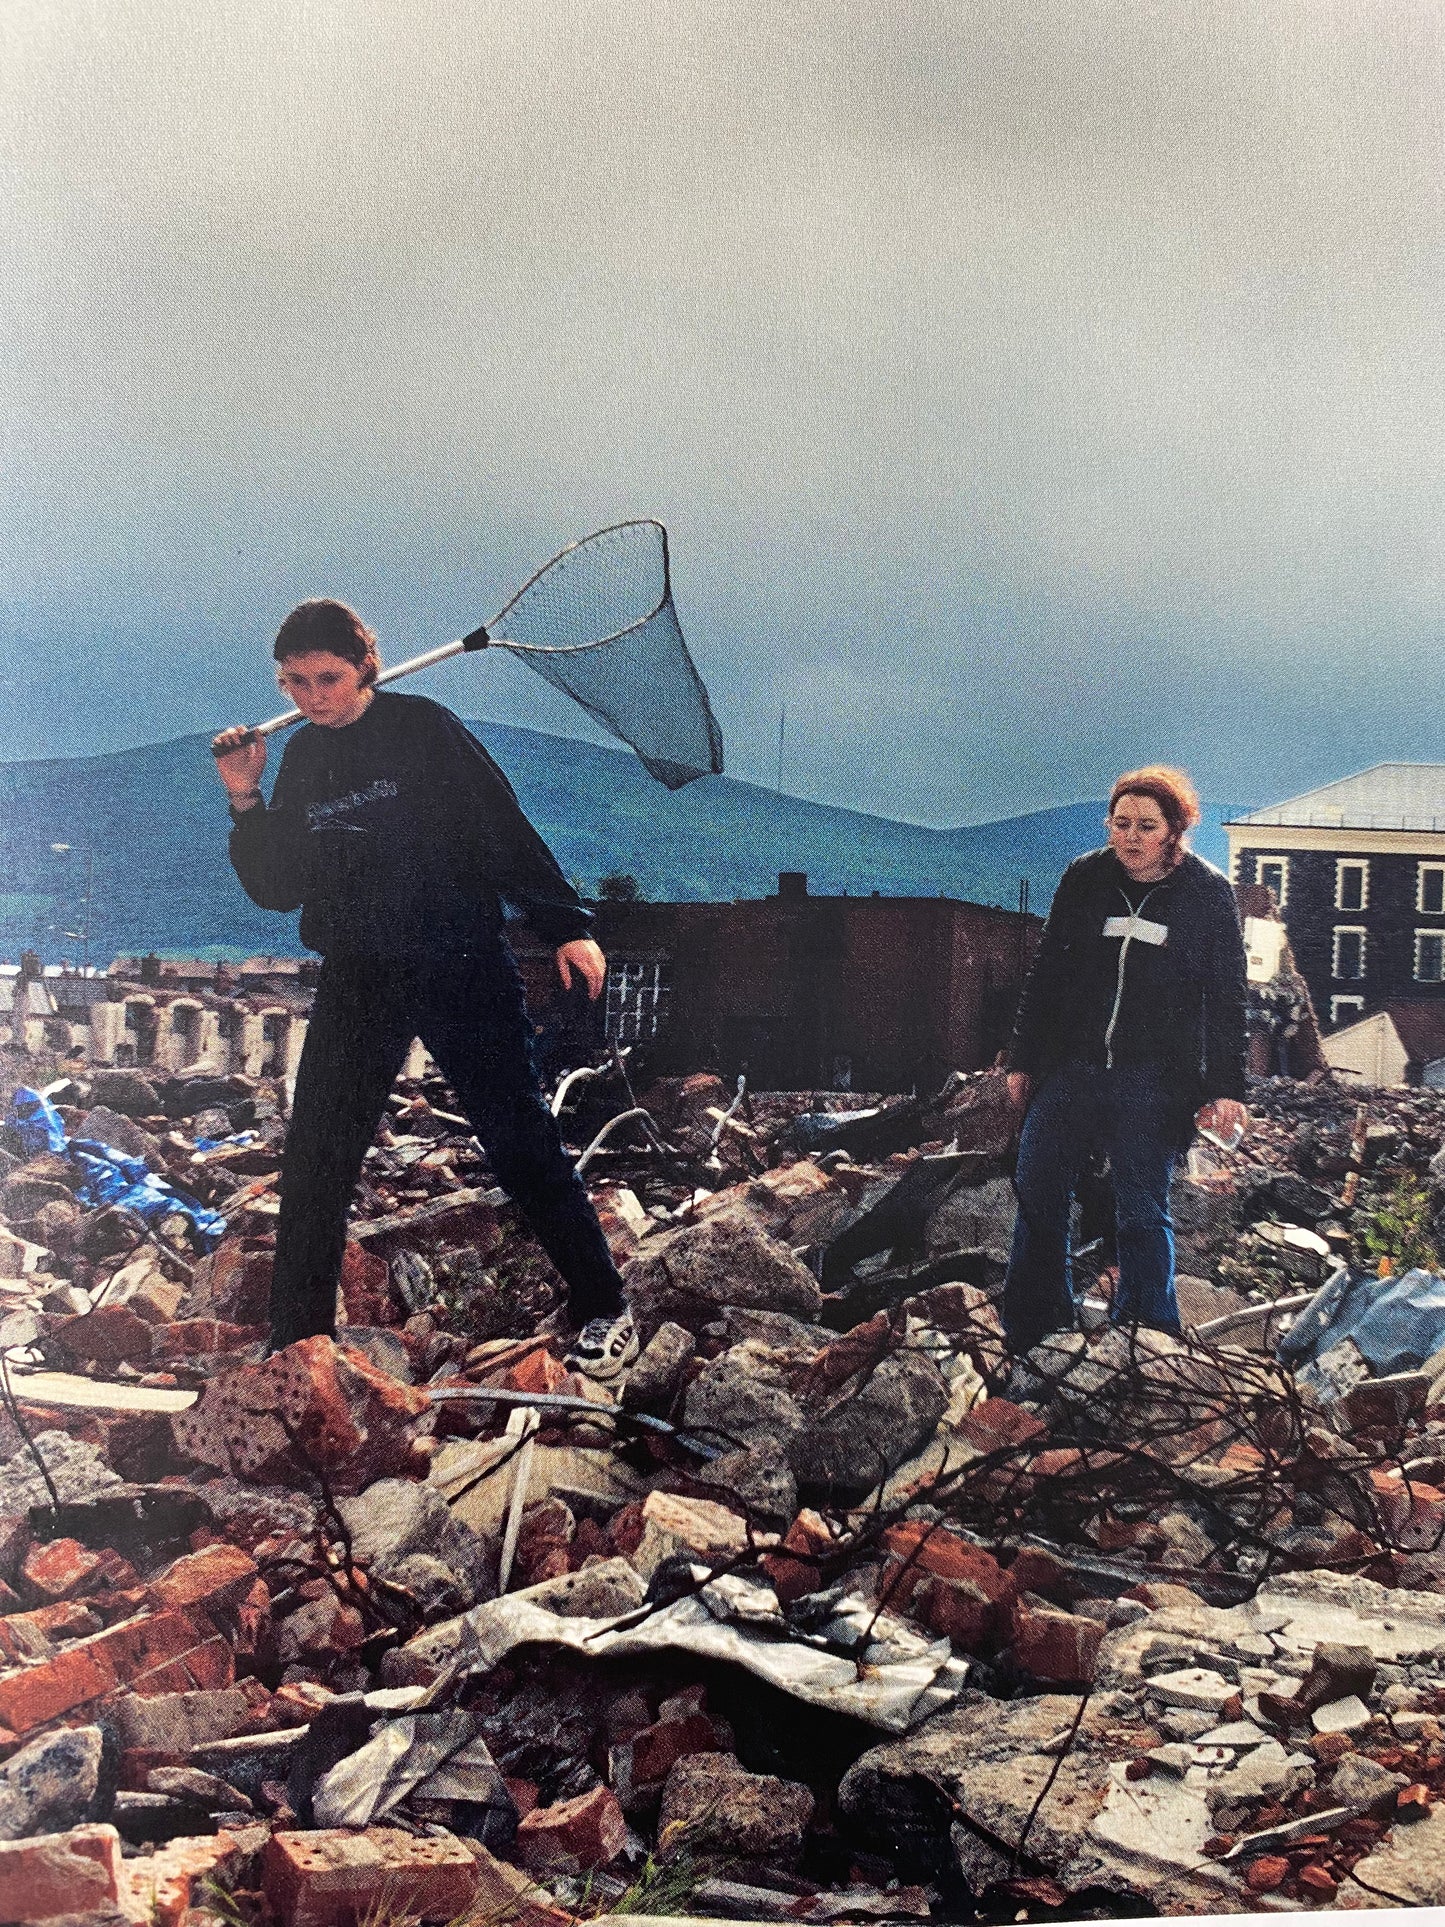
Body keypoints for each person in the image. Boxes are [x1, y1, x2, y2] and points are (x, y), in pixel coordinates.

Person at [211, 598, 637, 1378]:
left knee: (517, 1137)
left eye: (328, 678)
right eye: (296, 682)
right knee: (318, 1155)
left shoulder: (424, 729)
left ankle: (605, 1304)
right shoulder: (301, 756)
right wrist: (245, 796)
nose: (313, 697)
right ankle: (297, 1340)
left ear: (364, 667)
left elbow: (501, 826)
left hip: (458, 961)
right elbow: (277, 887)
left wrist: (564, 924)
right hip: (359, 972)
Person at [1002, 766, 1248, 1354]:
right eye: (1121, 823)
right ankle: (1035, 1329)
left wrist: (1226, 1087)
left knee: (1140, 1205)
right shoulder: (1085, 879)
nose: (1131, 837)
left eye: (1146, 826)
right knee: (1039, 1189)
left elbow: (1227, 997)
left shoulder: (1207, 893)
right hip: (1073, 1067)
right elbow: (1046, 975)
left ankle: (1147, 1337)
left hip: (1155, 1078)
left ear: (1174, 831)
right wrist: (1023, 1059)